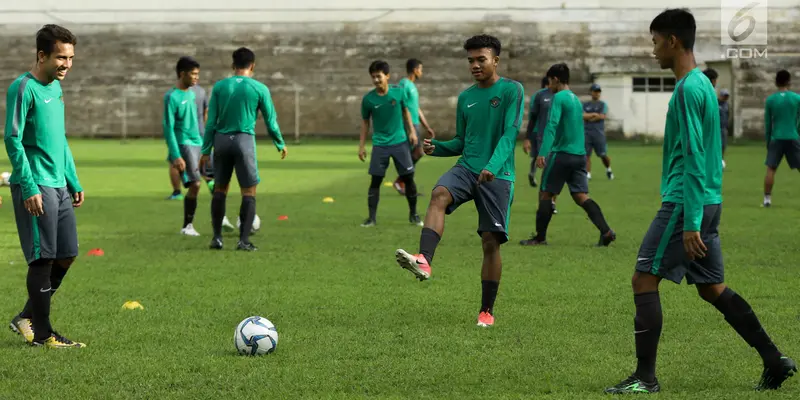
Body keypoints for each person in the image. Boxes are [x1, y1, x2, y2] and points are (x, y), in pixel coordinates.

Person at [605, 9, 796, 394]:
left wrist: (691, 221)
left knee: (643, 278)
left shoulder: (689, 89)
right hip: (707, 199)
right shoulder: (702, 86)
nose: (653, 50)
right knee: (712, 287)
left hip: (685, 203)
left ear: (673, 41)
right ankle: (774, 360)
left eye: (655, 41)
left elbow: (694, 156)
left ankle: (645, 378)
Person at [394, 34, 524, 328]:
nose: (475, 65)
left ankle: (486, 311)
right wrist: (437, 147)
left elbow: (510, 133)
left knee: (490, 243)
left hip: (498, 174)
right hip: (467, 168)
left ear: (496, 60)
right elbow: (463, 142)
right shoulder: (465, 98)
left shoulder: (512, 90)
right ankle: (424, 260)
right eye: (471, 60)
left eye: (481, 59)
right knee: (439, 193)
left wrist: (492, 166)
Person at [5, 24, 86, 348]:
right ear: (41, 55)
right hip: (36, 183)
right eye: (60, 58)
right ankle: (43, 335)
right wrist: (28, 186)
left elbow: (60, 139)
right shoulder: (23, 88)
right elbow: (12, 138)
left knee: (67, 254)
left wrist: (73, 178)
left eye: (70, 58)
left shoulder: (56, 89)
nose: (66, 64)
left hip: (59, 184)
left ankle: (25, 317)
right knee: (43, 259)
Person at [200, 47, 287, 251]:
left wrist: (205, 150)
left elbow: (211, 121)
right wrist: (279, 143)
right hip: (243, 140)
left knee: (220, 188)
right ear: (253, 66)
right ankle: (243, 241)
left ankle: (217, 238)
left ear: (233, 65)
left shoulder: (220, 87)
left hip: (221, 141)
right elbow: (270, 120)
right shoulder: (259, 88)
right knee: (248, 190)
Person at [519, 63, 615, 247]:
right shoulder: (576, 100)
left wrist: (543, 152)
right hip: (579, 155)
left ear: (555, 80)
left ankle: (540, 238)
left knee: (546, 194)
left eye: (549, 82)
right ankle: (606, 231)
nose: (549, 86)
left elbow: (551, 125)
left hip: (561, 154)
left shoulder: (559, 97)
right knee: (581, 196)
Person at [358, 60, 422, 227]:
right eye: (373, 77)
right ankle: (371, 218)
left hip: (400, 142)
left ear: (387, 76)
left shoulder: (398, 93)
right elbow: (365, 123)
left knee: (408, 178)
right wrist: (362, 146)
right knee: (376, 181)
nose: (376, 80)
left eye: (378, 76)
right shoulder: (368, 100)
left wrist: (412, 132)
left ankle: (414, 215)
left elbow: (406, 111)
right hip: (380, 145)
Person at [163, 56, 204, 236]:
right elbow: (168, 127)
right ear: (182, 74)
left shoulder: (194, 94)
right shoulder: (171, 97)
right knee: (195, 184)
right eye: (193, 74)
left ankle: (222, 219)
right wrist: (175, 155)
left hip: (199, 143)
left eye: (197, 74)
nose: (196, 78)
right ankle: (187, 226)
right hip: (184, 145)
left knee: (213, 182)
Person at [393, 58, 436, 195]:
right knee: (415, 152)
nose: (421, 72)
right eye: (420, 69)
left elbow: (416, 108)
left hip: (415, 124)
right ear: (415, 69)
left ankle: (403, 181)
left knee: (416, 153)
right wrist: (410, 128)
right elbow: (402, 107)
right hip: (408, 124)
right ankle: (402, 181)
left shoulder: (413, 86)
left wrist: (427, 126)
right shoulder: (404, 84)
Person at [762, 70, 800, 208]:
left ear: (776, 82)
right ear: (789, 81)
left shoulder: (771, 100)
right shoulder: (797, 98)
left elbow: (768, 123)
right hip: (792, 135)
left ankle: (767, 199)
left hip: (776, 137)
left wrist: (768, 140)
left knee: (771, 168)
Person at [523, 76, 558, 213]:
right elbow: (533, 117)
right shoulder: (539, 97)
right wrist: (528, 137)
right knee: (544, 165)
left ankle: (552, 203)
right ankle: (546, 204)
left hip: (557, 139)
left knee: (554, 172)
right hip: (540, 135)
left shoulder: (562, 97)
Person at [583, 83, 614, 180]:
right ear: (591, 92)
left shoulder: (602, 104)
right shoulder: (585, 104)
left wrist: (590, 117)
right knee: (586, 155)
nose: (596, 94)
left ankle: (608, 169)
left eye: (598, 92)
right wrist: (594, 115)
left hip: (598, 134)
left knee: (603, 155)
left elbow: (602, 116)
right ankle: (588, 174)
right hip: (587, 133)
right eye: (595, 92)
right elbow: (582, 116)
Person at [718, 88, 730, 168]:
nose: (726, 98)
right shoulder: (715, 103)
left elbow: (728, 115)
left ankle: (721, 160)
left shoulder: (726, 105)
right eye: (724, 96)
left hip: (724, 128)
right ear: (720, 96)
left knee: (723, 145)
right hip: (716, 128)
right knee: (717, 145)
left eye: (727, 96)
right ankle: (716, 160)